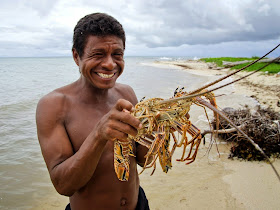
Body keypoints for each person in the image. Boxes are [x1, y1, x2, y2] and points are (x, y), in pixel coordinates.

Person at [36, 13, 150, 210]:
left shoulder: (127, 93)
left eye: (117, 54)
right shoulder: (54, 106)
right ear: (76, 56)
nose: (109, 64)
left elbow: (142, 159)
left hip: (138, 204)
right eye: (98, 54)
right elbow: (63, 185)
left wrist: (160, 132)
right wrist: (98, 135)